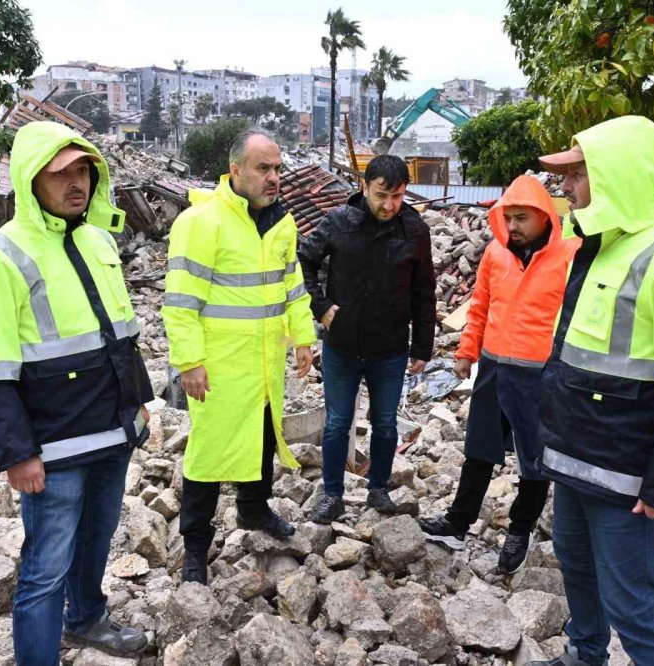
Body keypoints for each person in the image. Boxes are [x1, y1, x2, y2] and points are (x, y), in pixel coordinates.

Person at [526, 116, 654, 666]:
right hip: (577, 461)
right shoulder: (597, 249)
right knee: (576, 568)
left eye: (577, 174)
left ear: (614, 175)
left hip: (628, 479)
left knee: (633, 606)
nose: (566, 186)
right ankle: (584, 654)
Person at [0, 121, 155, 665]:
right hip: (54, 445)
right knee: (45, 569)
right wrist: (16, 453)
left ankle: (87, 619)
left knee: (98, 537)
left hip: (111, 431)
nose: (76, 183)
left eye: (84, 170)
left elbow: (122, 336)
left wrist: (137, 406)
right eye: (60, 173)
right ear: (30, 180)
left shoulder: (98, 241)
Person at [162, 128, 316, 585]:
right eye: (262, 168)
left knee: (263, 437)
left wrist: (302, 337)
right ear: (235, 171)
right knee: (208, 455)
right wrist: (189, 362)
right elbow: (181, 301)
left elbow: (292, 286)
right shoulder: (201, 222)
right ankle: (195, 547)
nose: (274, 177)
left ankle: (253, 509)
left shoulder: (281, 223)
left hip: (265, 362)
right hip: (220, 367)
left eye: (277, 168)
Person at [419, 175, 579, 574]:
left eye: (521, 218)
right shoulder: (495, 253)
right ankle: (458, 523)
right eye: (508, 218)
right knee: (479, 448)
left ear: (544, 217)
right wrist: (466, 352)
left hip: (538, 375)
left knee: (534, 459)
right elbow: (480, 306)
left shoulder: (569, 257)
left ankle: (520, 531)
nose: (512, 226)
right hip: (492, 367)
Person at [298, 154, 436, 524]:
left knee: (386, 423)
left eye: (397, 196)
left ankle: (378, 489)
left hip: (390, 348)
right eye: (381, 195)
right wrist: (320, 307)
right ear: (364, 187)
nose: (389, 205)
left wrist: (422, 346)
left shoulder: (415, 231)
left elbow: (424, 292)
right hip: (342, 346)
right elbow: (304, 261)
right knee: (336, 423)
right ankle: (332, 494)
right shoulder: (338, 222)